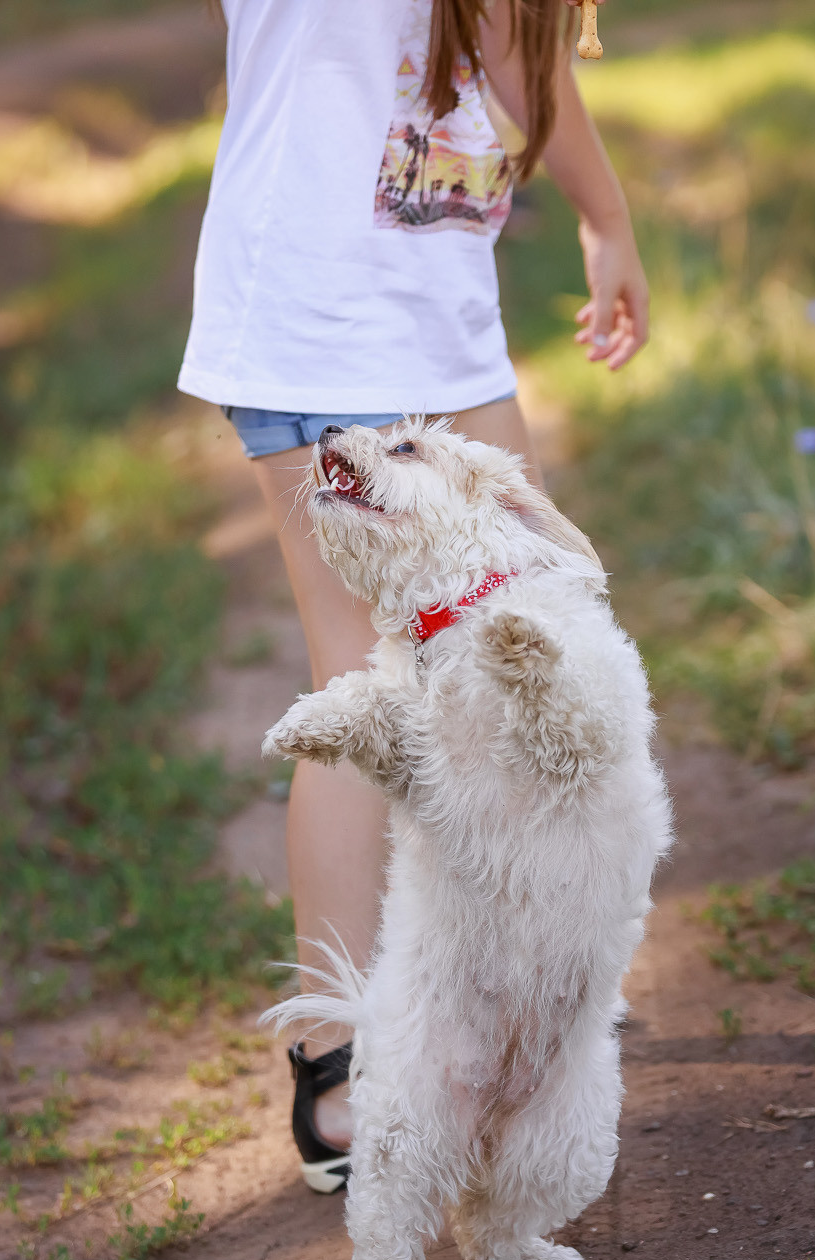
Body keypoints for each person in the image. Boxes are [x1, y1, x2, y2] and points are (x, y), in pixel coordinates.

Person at [178, 0, 649, 1195]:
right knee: (517, 638)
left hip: (294, 315)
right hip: (391, 325)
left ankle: (338, 1074)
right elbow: (513, 60)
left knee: (361, 682)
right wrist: (605, 215)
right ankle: (511, 1004)